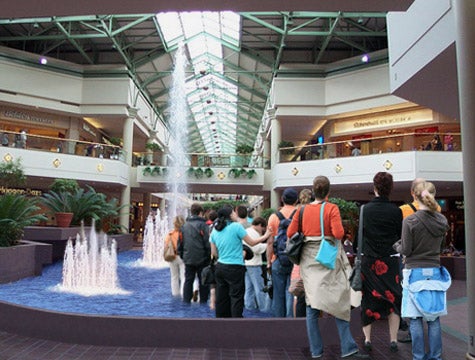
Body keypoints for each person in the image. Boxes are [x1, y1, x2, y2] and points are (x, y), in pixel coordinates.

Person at [287, 176, 368, 359]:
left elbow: (291, 233)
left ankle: (316, 352)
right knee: (339, 300)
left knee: (312, 305)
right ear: (328, 193)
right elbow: (338, 233)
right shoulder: (331, 208)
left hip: (309, 261)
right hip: (328, 260)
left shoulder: (301, 211)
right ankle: (348, 348)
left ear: (313, 192)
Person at [393, 181, 450, 360]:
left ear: (415, 197)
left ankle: (418, 357)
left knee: (415, 318)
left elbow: (407, 250)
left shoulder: (410, 221)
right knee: (434, 319)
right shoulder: (442, 220)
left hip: (414, 272)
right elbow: (441, 246)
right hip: (434, 271)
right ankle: (436, 356)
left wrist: (397, 246)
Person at [360, 172, 402, 353]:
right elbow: (400, 237)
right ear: (390, 188)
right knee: (393, 299)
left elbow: (358, 238)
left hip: (369, 261)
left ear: (374, 187)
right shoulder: (396, 211)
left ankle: (368, 339)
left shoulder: (364, 210)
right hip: (390, 261)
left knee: (368, 299)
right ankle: (393, 339)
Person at [210, 205, 272, 318]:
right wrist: (266, 236)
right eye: (233, 212)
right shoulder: (236, 227)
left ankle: (221, 321)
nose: (235, 214)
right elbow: (252, 242)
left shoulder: (215, 229)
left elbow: (214, 253)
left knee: (222, 297)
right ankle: (236, 322)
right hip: (235, 267)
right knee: (236, 297)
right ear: (230, 215)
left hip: (220, 266)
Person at [266, 187, 298, 317]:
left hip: (277, 259)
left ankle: (279, 322)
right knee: (292, 292)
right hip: (295, 259)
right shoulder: (299, 214)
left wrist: (269, 261)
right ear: (296, 200)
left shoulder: (274, 217)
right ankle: (290, 321)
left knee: (278, 294)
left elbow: (269, 242)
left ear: (282, 199)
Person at [179, 203, 211, 304]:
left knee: (188, 280)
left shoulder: (184, 226)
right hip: (202, 257)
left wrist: (182, 255)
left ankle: (186, 301)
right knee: (203, 280)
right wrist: (208, 256)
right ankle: (203, 301)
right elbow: (207, 241)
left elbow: (180, 242)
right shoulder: (203, 225)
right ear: (200, 213)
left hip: (188, 257)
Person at [243, 216, 271, 313]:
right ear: (259, 225)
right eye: (263, 228)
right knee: (259, 288)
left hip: (246, 263)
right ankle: (263, 308)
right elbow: (256, 248)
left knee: (249, 288)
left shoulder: (247, 231)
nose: (262, 231)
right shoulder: (253, 233)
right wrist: (268, 245)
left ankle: (249, 307)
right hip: (254, 263)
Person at [164, 215, 186, 297]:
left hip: (172, 257)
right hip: (182, 257)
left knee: (174, 277)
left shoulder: (170, 234)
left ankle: (175, 294)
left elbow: (166, 245)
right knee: (183, 277)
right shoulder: (185, 234)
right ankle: (184, 294)